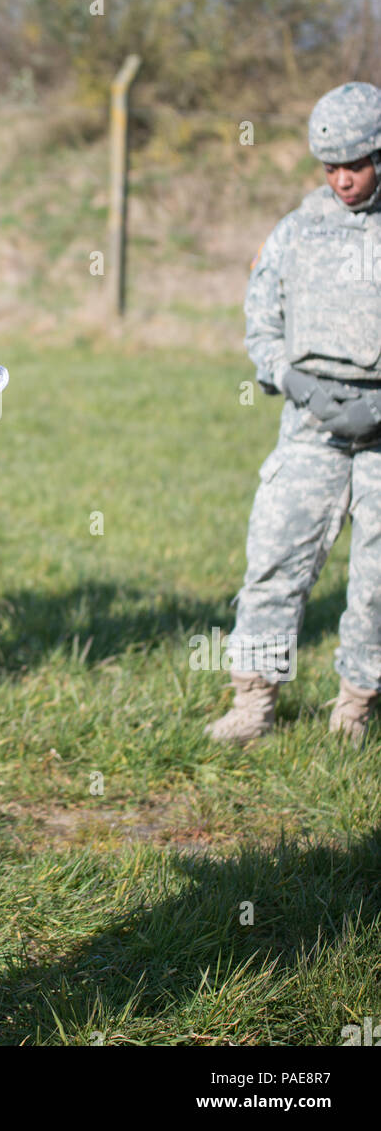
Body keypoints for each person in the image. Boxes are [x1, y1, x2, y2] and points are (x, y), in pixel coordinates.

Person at [207, 82, 381, 747]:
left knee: (373, 584)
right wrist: (292, 381)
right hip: (309, 426)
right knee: (275, 561)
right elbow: (260, 326)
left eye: (357, 164)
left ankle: (354, 709)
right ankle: (252, 703)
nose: (342, 179)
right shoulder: (295, 231)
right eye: (330, 167)